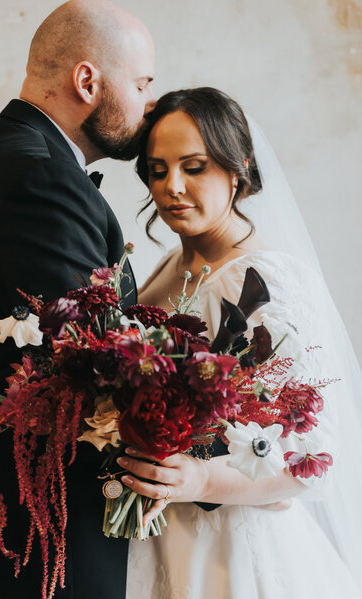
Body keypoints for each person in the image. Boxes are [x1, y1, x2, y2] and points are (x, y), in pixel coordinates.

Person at [119, 88, 362, 598]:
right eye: (158, 170)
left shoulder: (264, 281)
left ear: (238, 168)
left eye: (194, 167)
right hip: (153, 533)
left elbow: (313, 457)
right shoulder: (171, 266)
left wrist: (203, 480)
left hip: (227, 552)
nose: (172, 186)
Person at [0, 1, 155, 598]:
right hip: (38, 534)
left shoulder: (10, 154)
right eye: (141, 84)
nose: (148, 103)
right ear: (87, 81)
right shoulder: (39, 177)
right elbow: (94, 366)